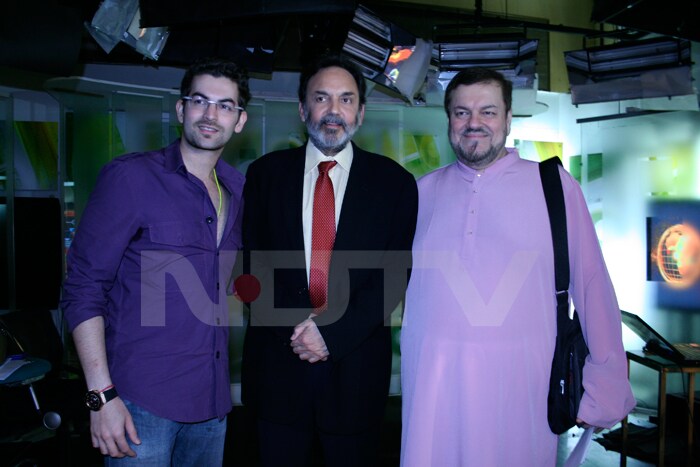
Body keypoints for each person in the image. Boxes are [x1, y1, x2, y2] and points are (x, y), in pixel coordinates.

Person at [400, 67, 636, 466]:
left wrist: (606, 382)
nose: (474, 123)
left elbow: (592, 284)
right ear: (449, 121)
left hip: (519, 392)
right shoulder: (421, 192)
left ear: (509, 119)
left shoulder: (554, 186)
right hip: (432, 393)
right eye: (461, 113)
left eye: (488, 112)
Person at [61, 57, 250, 465]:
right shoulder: (130, 178)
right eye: (199, 100)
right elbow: (82, 288)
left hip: (212, 406)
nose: (210, 114)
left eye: (225, 105)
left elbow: (237, 281)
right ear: (181, 109)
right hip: (139, 404)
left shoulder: (239, 191)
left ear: (239, 121)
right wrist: (100, 397)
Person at [241, 54, 418, 467]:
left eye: (346, 99)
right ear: (303, 109)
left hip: (355, 374)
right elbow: (249, 267)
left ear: (361, 111)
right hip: (277, 373)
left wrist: (331, 336)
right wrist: (299, 333)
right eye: (322, 98)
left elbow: (394, 277)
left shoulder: (394, 183)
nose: (334, 111)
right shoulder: (264, 175)